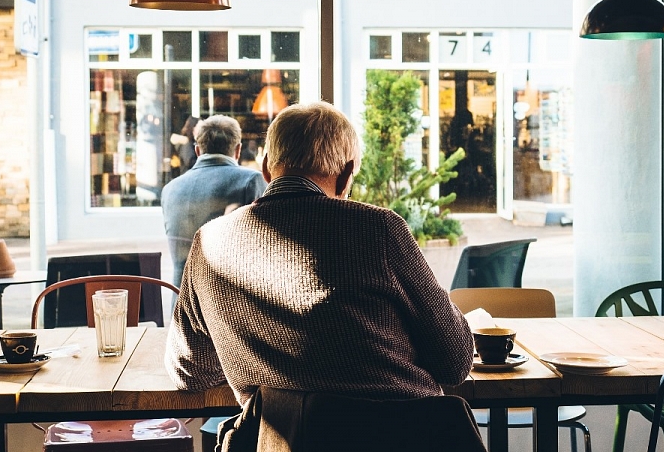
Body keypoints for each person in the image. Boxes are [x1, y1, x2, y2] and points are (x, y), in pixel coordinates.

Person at [165, 101, 473, 407]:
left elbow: (189, 372)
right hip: (405, 437)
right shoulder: (379, 229)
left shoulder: (209, 243)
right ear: (346, 174)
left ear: (266, 168)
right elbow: (455, 361)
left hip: (280, 441)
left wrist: (250, 350)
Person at [161, 114, 267, 289]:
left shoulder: (170, 189)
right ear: (238, 150)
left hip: (180, 305)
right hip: (227, 304)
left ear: (197, 150)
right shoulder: (250, 181)